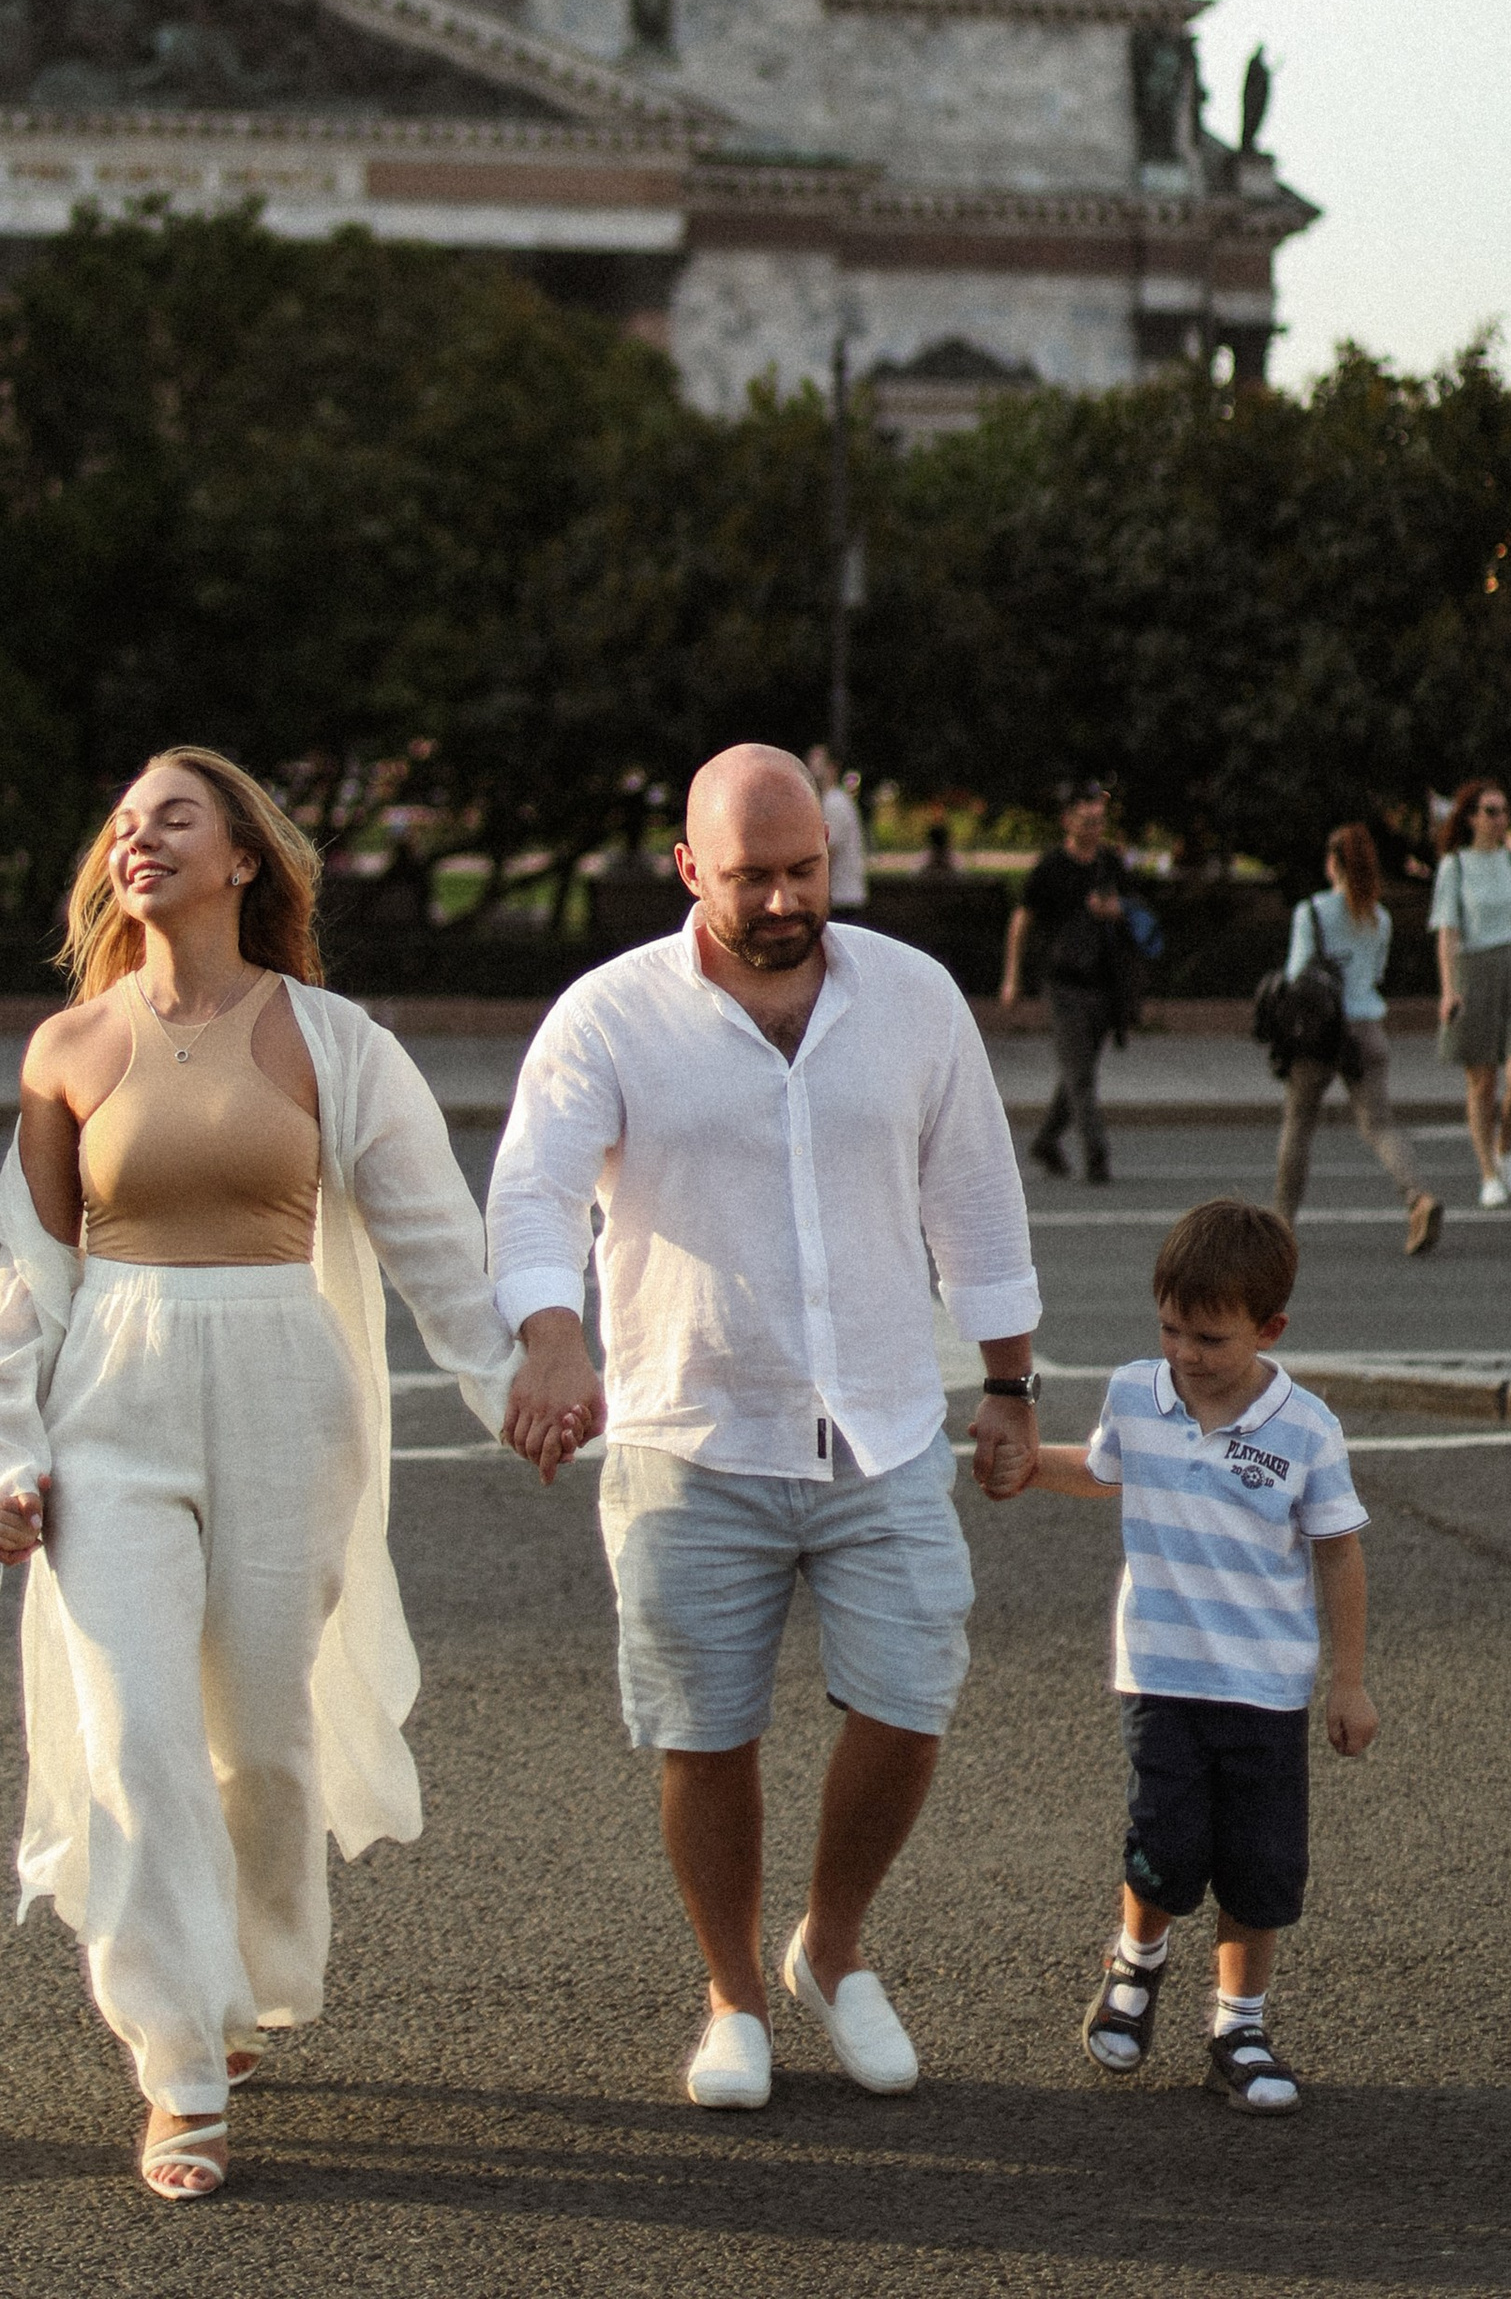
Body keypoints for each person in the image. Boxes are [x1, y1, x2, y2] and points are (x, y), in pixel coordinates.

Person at [0, 750, 525, 2204]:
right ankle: (179, 2067)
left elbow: (435, 1249)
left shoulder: (335, 1043)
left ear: (245, 862)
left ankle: (258, 1969)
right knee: (139, 1735)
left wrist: (516, 1389)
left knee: (262, 1746)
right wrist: (8, 1456)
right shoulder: (68, 1048)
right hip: (113, 1411)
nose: (138, 839)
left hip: (289, 1398)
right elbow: (29, 1285)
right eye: (124, 822)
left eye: (175, 819)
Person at [488, 744, 1041, 2114]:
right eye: (754, 877)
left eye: (806, 871)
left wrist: (1012, 1388)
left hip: (884, 1422)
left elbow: (974, 1197)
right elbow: (536, 1193)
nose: (788, 899)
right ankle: (733, 1992)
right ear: (691, 870)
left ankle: (831, 1947)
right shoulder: (608, 1018)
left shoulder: (912, 1000)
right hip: (693, 1430)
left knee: (913, 1692)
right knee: (706, 1730)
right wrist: (551, 1332)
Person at [1020, 1199, 1375, 2115]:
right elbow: (1103, 1471)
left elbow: (1339, 1551)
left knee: (1260, 1866)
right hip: (1161, 1676)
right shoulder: (1137, 1392)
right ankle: (1135, 1966)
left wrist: (1349, 1680)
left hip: (1265, 1689)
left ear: (1270, 1328)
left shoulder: (1306, 1429)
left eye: (1211, 1338)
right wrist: (1026, 1463)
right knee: (1165, 1845)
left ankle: (1239, 2024)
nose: (1185, 1353)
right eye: (1172, 1329)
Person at [1272, 824, 1442, 1256]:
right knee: (1380, 1124)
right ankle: (1418, 1197)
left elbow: (1296, 976)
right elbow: (1375, 975)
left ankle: (1281, 1226)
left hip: (1319, 1033)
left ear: (1333, 864)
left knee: (1298, 1124)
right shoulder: (1379, 917)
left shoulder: (1311, 912)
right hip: (1367, 1030)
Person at [1430, 780, 1511, 1206]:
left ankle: (1505, 1146)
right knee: (1483, 1082)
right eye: (1490, 811)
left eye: (1504, 810)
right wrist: (1449, 990)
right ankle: (1488, 1170)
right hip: (1475, 970)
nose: (1499, 819)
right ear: (1470, 818)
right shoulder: (1456, 866)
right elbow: (1447, 931)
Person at [1000, 787, 1130, 1184]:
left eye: (1099, 822)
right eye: (1087, 821)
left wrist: (1114, 911)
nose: (1094, 830)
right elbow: (1022, 921)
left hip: (1105, 981)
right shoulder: (1051, 868)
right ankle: (1097, 1155)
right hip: (1063, 982)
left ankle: (1045, 1141)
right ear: (1068, 821)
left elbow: (1133, 910)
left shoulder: (1110, 863)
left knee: (1081, 1068)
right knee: (1080, 1073)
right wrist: (1012, 976)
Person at [806, 746, 868, 910]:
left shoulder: (835, 802)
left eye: (818, 763)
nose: (812, 769)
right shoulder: (831, 800)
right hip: (841, 896)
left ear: (832, 768)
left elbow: (827, 852)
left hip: (842, 897)